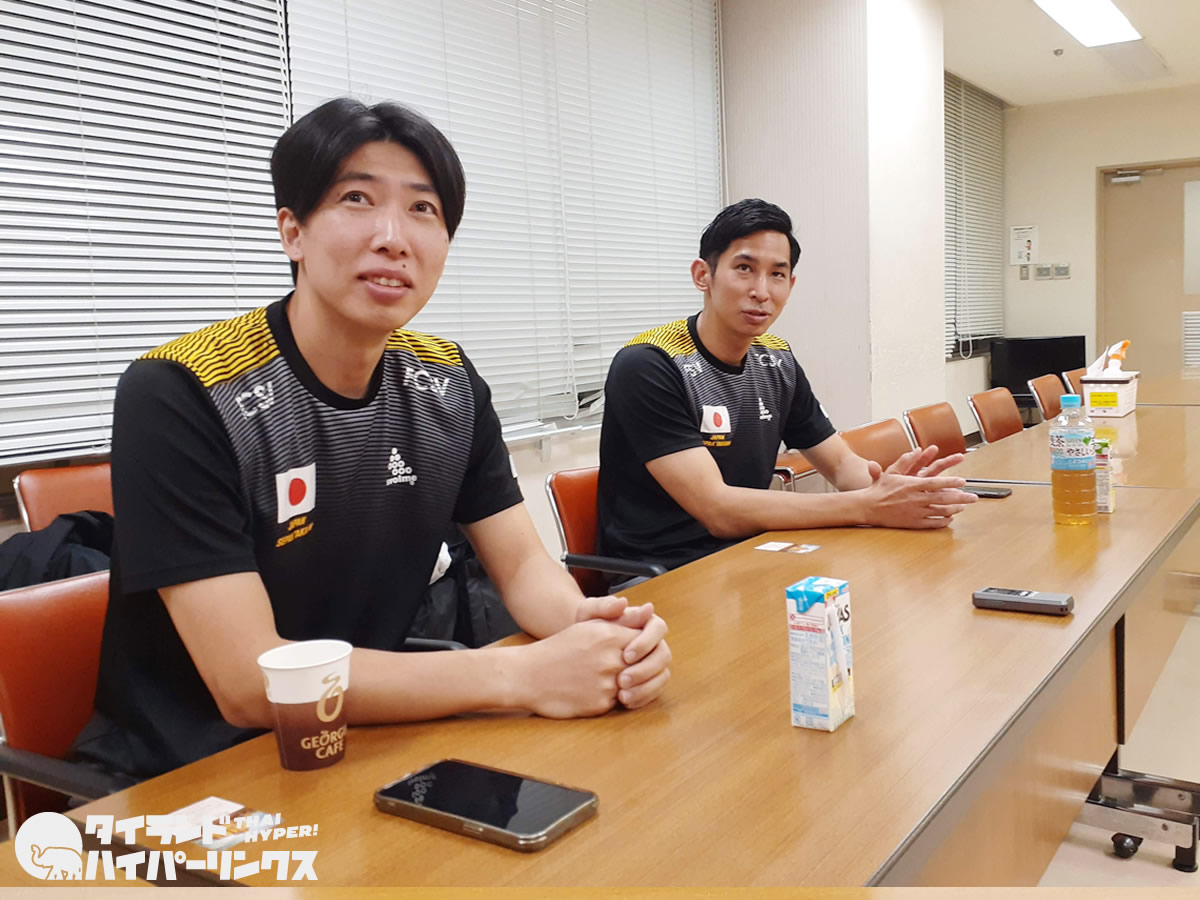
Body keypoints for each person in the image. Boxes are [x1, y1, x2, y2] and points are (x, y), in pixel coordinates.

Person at [72, 98, 670, 781]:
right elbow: (247, 680)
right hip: (188, 772)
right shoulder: (183, 390)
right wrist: (519, 675)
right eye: (356, 199)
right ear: (293, 232)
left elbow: (524, 570)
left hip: (361, 740)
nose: (393, 237)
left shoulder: (446, 382)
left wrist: (594, 632)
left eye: (423, 209)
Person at [597, 198, 978, 574]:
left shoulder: (775, 359)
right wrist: (869, 505)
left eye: (777, 275)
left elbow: (841, 464)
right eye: (744, 268)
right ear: (703, 275)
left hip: (753, 554)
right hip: (660, 576)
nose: (762, 291)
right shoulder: (650, 364)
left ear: (791, 284)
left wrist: (898, 491)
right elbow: (718, 510)